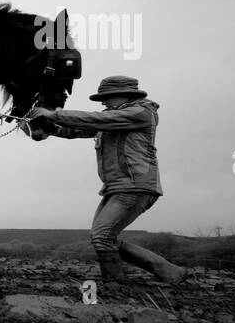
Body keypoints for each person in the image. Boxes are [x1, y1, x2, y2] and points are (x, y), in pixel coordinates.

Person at [30, 76, 186, 284]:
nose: (103, 102)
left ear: (126, 95)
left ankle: (115, 284)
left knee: (102, 236)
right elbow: (77, 129)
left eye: (107, 98)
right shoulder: (115, 117)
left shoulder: (141, 113)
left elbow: (96, 120)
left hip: (135, 186)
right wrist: (47, 128)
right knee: (104, 237)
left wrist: (54, 114)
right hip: (118, 187)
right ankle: (169, 271)